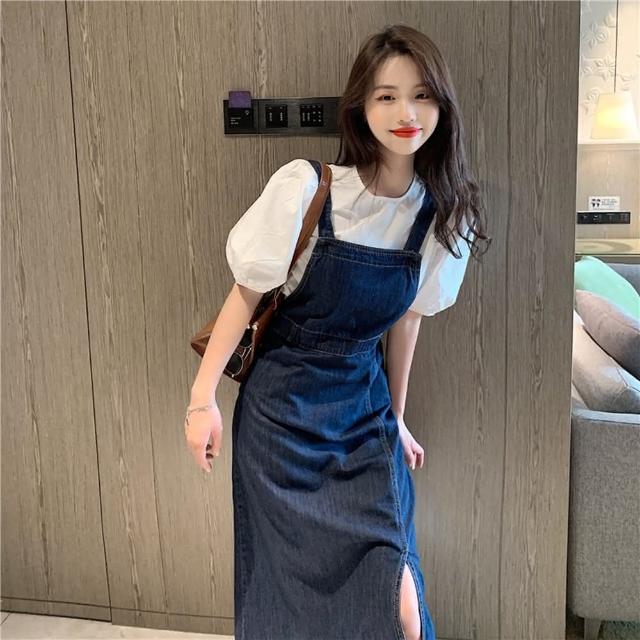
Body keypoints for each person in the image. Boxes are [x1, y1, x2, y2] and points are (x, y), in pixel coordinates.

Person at [185, 23, 490, 640]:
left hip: (363, 412)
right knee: (285, 595)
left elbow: (407, 321)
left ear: (443, 106)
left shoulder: (439, 217)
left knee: (400, 603)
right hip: (281, 418)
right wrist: (202, 399)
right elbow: (245, 294)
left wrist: (395, 418)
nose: (406, 113)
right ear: (360, 106)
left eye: (422, 95)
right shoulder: (307, 188)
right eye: (387, 96)